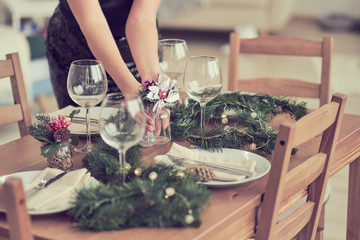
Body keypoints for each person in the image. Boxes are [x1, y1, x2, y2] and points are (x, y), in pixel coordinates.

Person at [46, 0, 164, 134]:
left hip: (141, 47)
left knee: (138, 132)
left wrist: (151, 77)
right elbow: (92, 21)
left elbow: (142, 18)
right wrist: (128, 86)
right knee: (82, 131)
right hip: (76, 42)